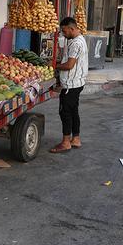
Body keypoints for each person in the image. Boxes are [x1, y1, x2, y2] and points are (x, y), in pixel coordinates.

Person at [51, 17, 88, 153]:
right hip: (78, 83)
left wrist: (55, 66)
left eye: (64, 31)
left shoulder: (76, 43)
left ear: (72, 28)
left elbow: (69, 65)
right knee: (73, 111)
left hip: (71, 85)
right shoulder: (79, 40)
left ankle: (66, 142)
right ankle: (76, 139)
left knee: (65, 112)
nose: (63, 33)